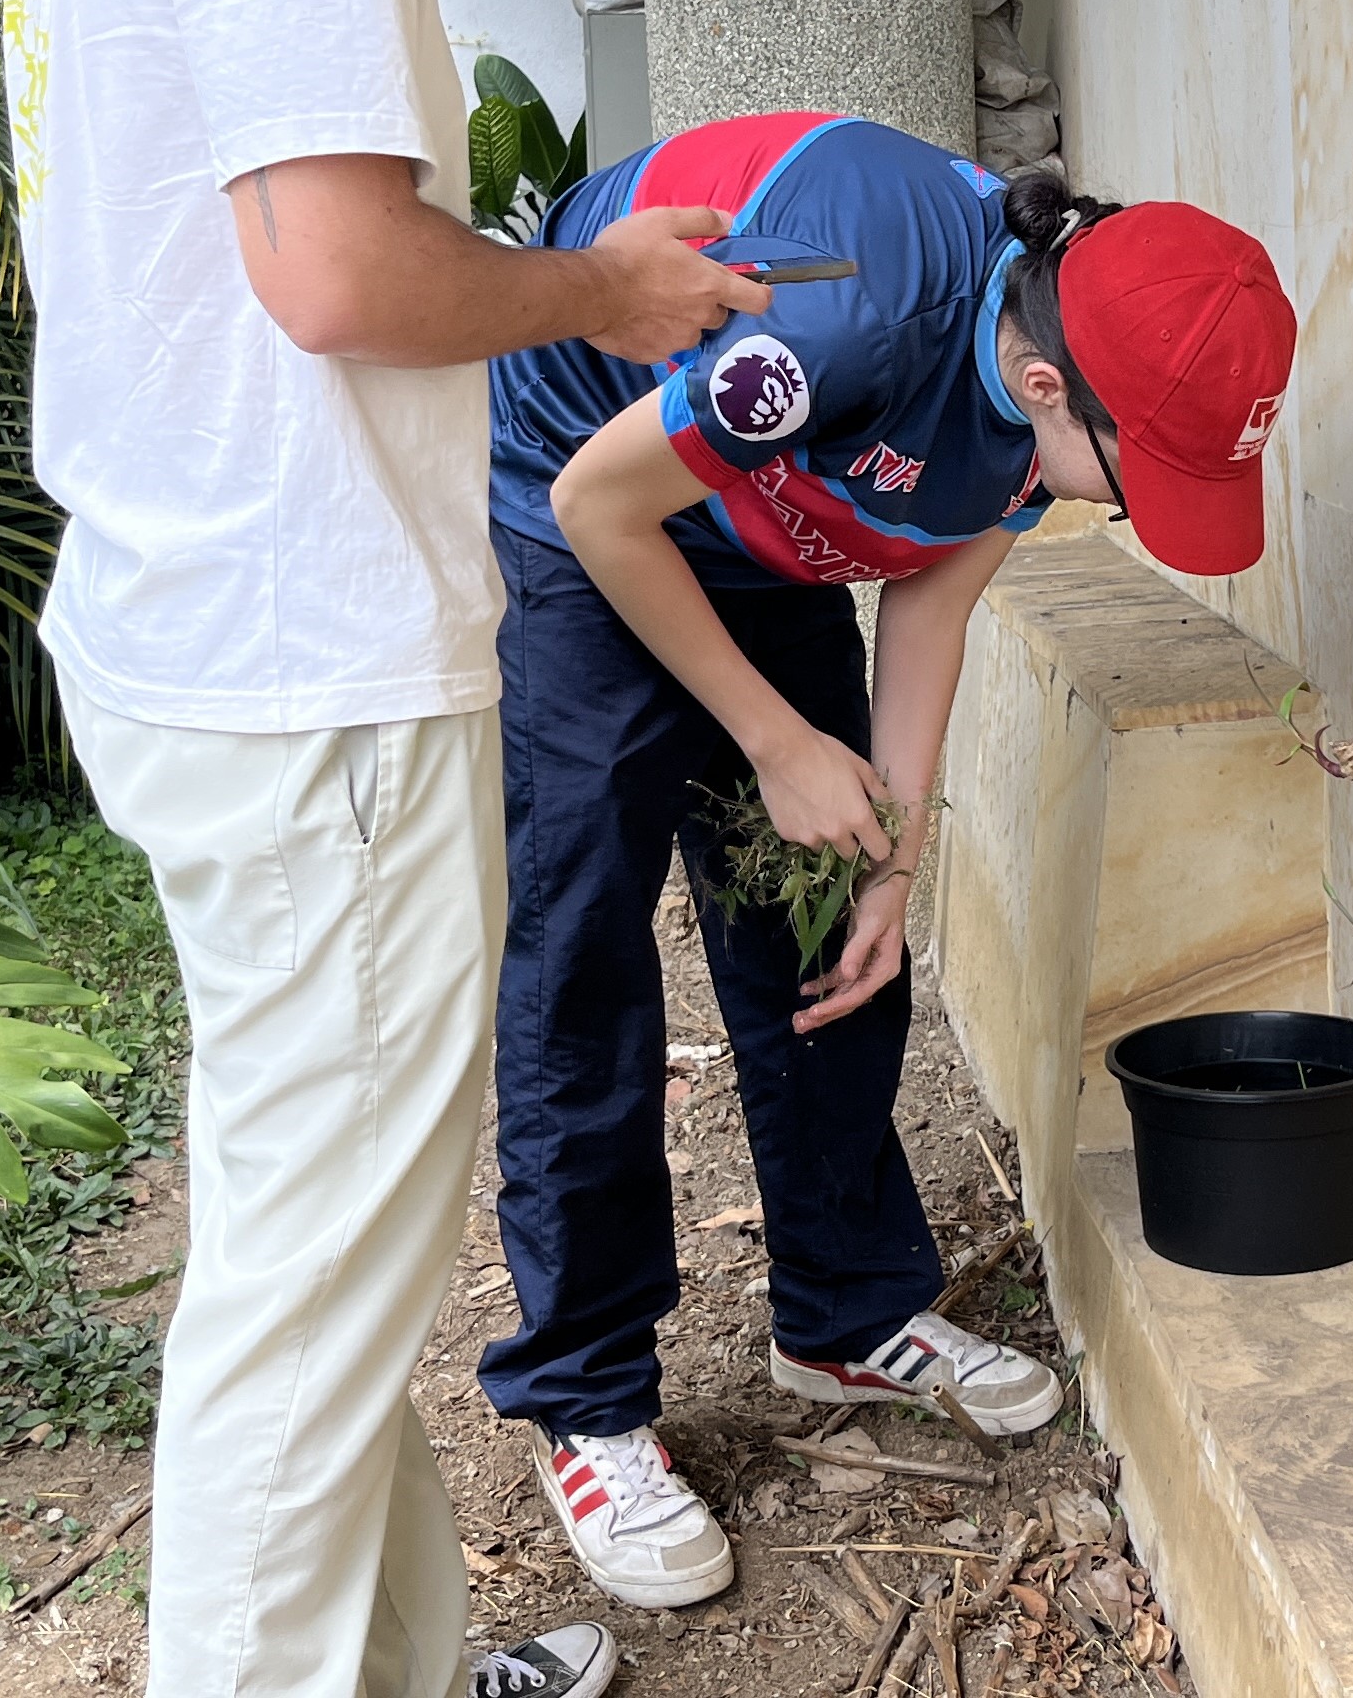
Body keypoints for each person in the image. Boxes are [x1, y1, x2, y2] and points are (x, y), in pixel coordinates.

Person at [3, 0, 770, 1698]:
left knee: (320, 1258)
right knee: (304, 1310)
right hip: (304, 658)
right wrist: (600, 289)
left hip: (204, 624)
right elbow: (338, 277)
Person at [479, 114, 1297, 1607]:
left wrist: (895, 856)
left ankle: (846, 1310)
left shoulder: (1046, 376)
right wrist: (775, 741)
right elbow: (605, 504)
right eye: (1133, 480)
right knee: (586, 949)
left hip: (763, 519)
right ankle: (588, 1399)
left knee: (827, 922)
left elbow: (930, 599)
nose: (1124, 509)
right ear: (1045, 386)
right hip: (591, 497)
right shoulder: (849, 326)